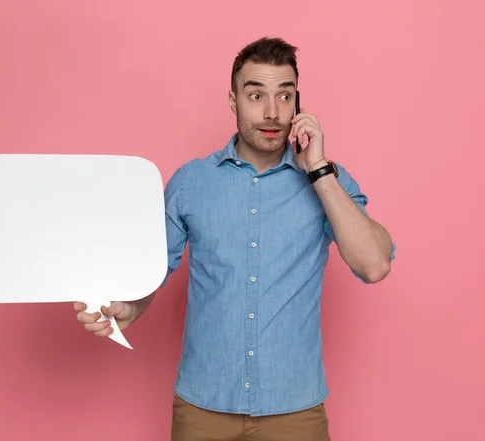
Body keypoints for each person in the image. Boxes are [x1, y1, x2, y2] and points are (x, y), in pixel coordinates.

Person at [74, 37, 396, 441]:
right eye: (255, 94)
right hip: (202, 408)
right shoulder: (192, 181)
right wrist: (128, 308)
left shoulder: (327, 179)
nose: (272, 112)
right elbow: (151, 272)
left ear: (298, 103)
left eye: (285, 95)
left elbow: (375, 264)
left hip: (295, 410)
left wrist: (317, 169)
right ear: (233, 100)